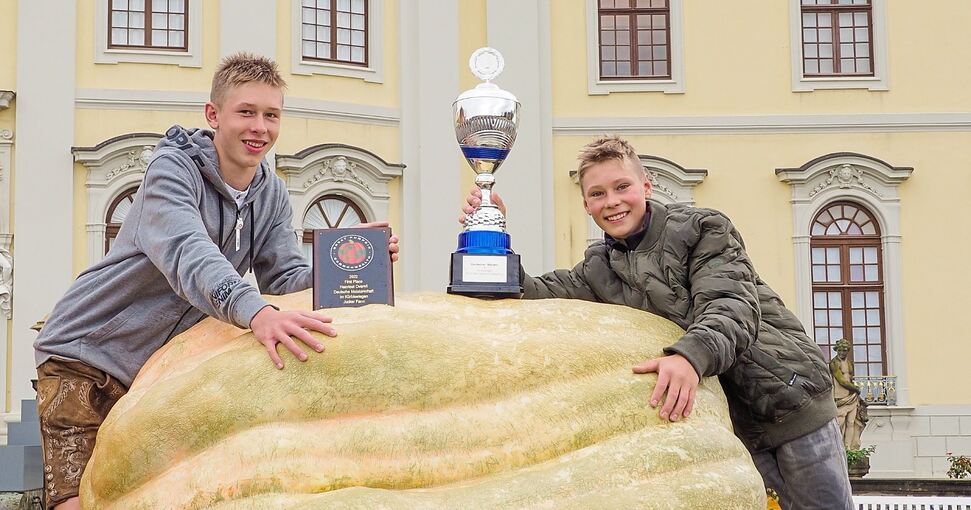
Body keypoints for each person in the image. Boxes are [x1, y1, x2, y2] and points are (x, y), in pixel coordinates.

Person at [32, 53, 399, 510]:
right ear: (213, 115)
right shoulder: (172, 171)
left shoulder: (270, 193)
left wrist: (350, 266)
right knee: (76, 503)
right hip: (85, 357)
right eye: (246, 112)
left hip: (155, 375)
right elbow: (189, 253)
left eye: (271, 115)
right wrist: (257, 314)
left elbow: (284, 276)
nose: (259, 127)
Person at [461, 135, 853, 509]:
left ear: (645, 186)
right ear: (585, 204)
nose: (611, 202)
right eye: (597, 194)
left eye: (621, 187)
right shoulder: (598, 269)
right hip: (727, 426)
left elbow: (731, 305)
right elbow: (536, 295)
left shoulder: (703, 229)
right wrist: (492, 236)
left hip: (791, 400)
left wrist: (688, 357)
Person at [831, 338, 868, 451]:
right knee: (840, 423)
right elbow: (841, 380)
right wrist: (855, 389)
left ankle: (848, 448)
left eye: (845, 350)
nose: (842, 352)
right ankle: (839, 447)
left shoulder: (849, 363)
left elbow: (850, 379)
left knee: (851, 422)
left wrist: (854, 391)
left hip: (851, 396)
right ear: (837, 350)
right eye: (840, 350)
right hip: (840, 397)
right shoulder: (834, 363)